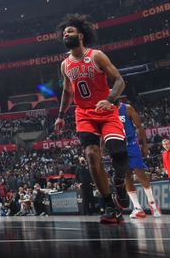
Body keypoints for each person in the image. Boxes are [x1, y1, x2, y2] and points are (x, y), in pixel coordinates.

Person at [53, 14, 131, 224]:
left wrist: (110, 99)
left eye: (70, 31)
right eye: (64, 32)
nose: (66, 34)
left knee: (120, 154)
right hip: (84, 113)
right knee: (90, 155)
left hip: (106, 111)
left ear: (81, 34)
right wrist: (60, 116)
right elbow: (68, 92)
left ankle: (119, 183)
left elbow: (120, 81)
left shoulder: (97, 56)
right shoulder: (65, 65)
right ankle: (109, 205)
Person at [117, 102, 161, 218]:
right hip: (118, 146)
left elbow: (139, 127)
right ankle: (137, 207)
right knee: (126, 176)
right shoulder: (107, 110)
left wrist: (145, 145)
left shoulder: (127, 108)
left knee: (140, 174)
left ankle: (152, 204)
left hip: (131, 144)